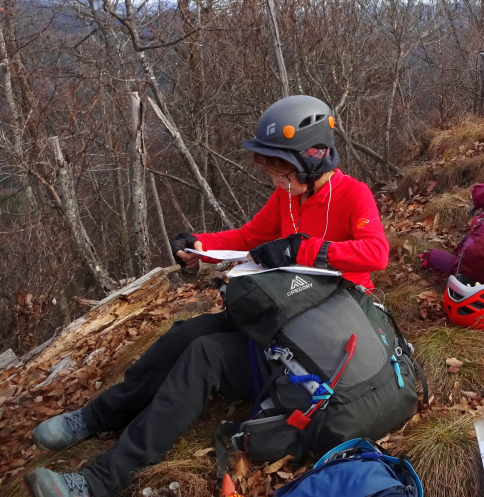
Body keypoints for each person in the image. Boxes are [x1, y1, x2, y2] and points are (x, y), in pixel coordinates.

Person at [25, 95, 390, 497]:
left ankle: (97, 482)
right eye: (271, 169)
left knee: (205, 356)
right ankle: (95, 416)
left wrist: (302, 248)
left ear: (314, 156)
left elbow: (376, 254)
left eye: (282, 169)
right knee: (184, 335)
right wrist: (199, 245)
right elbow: (249, 236)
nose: (275, 179)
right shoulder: (288, 197)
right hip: (283, 311)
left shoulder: (352, 195)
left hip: (321, 342)